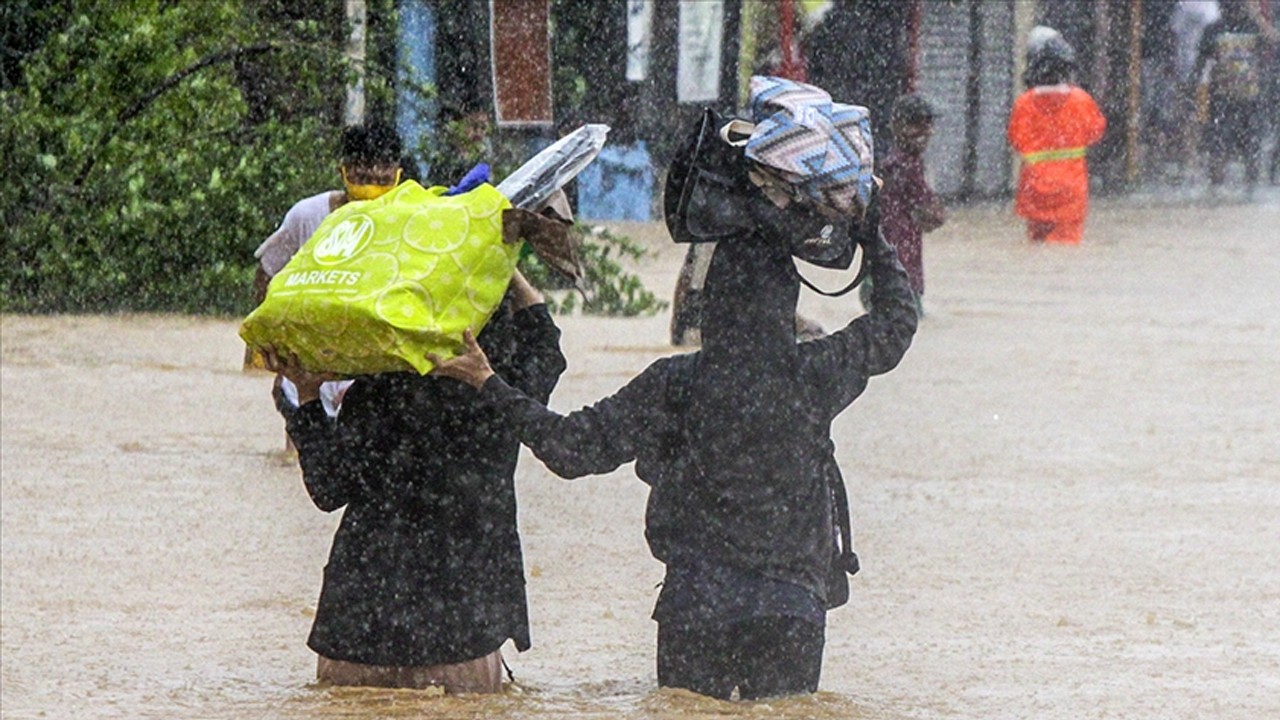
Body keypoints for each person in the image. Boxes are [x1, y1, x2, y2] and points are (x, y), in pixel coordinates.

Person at [431, 198, 919, 700]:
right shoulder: (816, 372)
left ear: (709, 307)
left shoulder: (674, 383)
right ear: (785, 305)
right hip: (788, 606)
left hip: (696, 606)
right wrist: (869, 229)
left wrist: (488, 382)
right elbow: (896, 321)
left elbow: (570, 448)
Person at [262, 268, 567, 693]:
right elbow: (546, 348)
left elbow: (329, 488)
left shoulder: (377, 387)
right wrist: (502, 266)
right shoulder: (501, 393)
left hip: (357, 627)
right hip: (458, 633)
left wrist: (309, 396)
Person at [246, 122, 405, 421]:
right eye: (362, 168)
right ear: (342, 170)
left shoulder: (412, 220)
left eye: (383, 166)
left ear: (399, 172)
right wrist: (268, 341)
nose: (373, 175)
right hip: (308, 362)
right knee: (301, 452)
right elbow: (267, 272)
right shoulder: (308, 215)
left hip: (375, 366)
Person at [1008, 27, 1107, 245]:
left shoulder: (1023, 104)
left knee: (1037, 246)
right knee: (1064, 249)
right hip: (1070, 190)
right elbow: (1095, 131)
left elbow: (1016, 140)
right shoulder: (1081, 100)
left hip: (1034, 189)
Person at [861, 93, 945, 318]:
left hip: (890, 271)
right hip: (896, 274)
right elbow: (927, 210)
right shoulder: (900, 166)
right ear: (897, 126)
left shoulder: (901, 163)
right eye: (917, 123)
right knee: (907, 325)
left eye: (928, 124)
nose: (926, 132)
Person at [1193, 0, 1274, 192]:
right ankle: (1215, 191)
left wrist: (1257, 16)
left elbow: (1273, 42)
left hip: (1251, 98)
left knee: (1251, 147)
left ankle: (1250, 193)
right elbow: (1201, 62)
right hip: (1221, 99)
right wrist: (1192, 90)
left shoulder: (1253, 27)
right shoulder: (1214, 29)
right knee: (1218, 146)